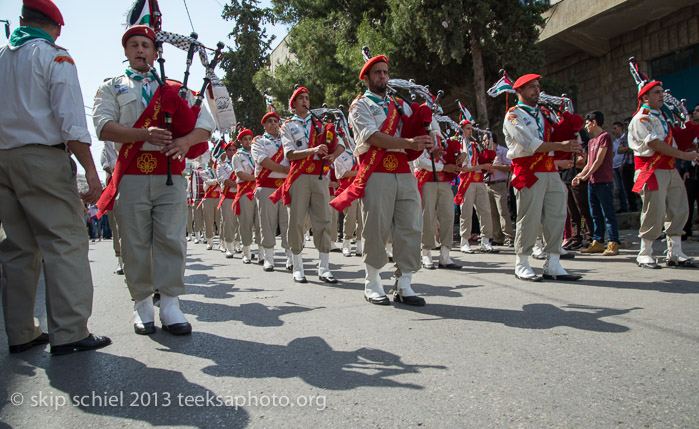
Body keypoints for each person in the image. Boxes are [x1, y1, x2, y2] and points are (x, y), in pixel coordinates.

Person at [0, 0, 111, 355]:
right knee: (64, 241)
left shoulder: (1, 57)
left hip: (3, 159)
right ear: (57, 28)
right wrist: (91, 171)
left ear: (21, 20)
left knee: (17, 248)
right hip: (42, 157)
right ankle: (69, 330)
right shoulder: (54, 57)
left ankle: (21, 332)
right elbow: (71, 121)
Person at [93, 24, 215, 335]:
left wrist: (186, 143)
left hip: (170, 172)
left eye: (145, 45)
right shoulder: (111, 87)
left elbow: (205, 126)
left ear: (156, 52)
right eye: (133, 45)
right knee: (135, 241)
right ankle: (142, 304)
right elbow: (104, 127)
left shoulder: (176, 89)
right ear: (125, 52)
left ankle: (171, 304)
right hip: (132, 172)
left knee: (171, 239)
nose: (140, 50)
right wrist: (142, 134)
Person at [332, 55, 433, 305]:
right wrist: (407, 142)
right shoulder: (360, 105)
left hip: (403, 168)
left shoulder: (399, 103)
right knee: (376, 227)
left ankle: (404, 283)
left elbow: (416, 126)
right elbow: (372, 137)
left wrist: (428, 140)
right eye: (377, 73)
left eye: (386, 73)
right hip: (376, 169)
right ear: (366, 78)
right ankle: (373, 282)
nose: (383, 77)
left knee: (411, 225)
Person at [502, 73, 582, 281]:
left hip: (549, 170)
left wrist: (570, 138)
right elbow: (530, 144)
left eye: (537, 86)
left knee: (557, 215)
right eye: (531, 87)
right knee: (529, 218)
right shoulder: (514, 115)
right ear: (519, 91)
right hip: (529, 170)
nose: (537, 90)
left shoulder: (545, 113)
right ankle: (522, 263)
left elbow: (556, 135)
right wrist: (561, 146)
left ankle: (553, 263)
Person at [271, 86, 344, 283]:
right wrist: (313, 150)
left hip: (320, 176)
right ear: (293, 104)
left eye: (307, 98)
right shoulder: (287, 126)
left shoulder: (321, 124)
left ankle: (324, 267)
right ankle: (297, 265)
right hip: (299, 177)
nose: (305, 101)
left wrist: (332, 155)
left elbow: (342, 144)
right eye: (300, 98)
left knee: (324, 220)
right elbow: (289, 154)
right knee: (296, 221)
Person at [627, 82, 699, 268]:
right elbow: (656, 145)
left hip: (668, 168)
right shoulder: (641, 119)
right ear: (645, 97)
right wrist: (685, 155)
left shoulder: (660, 118)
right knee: (654, 211)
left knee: (679, 208)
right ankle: (645, 252)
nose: (661, 96)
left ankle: (675, 251)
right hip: (651, 170)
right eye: (657, 93)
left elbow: (671, 142)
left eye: (661, 92)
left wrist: (691, 147)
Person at [414, 116, 462, 269]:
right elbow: (419, 161)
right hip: (427, 180)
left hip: (444, 182)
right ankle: (426, 253)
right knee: (427, 217)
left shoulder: (443, 138)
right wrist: (443, 168)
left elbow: (450, 156)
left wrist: (461, 157)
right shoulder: (419, 136)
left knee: (448, 216)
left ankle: (445, 254)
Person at [574, 111, 620, 256]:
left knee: (608, 213)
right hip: (592, 183)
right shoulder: (591, 141)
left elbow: (598, 161)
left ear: (594, 123)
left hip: (604, 182)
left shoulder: (604, 137)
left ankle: (613, 242)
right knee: (595, 214)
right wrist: (580, 175)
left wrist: (586, 175)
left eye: (587, 124)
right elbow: (588, 163)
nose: (586, 127)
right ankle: (598, 241)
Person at [252, 111, 292, 271]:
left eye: (276, 121)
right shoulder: (259, 141)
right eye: (270, 122)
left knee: (287, 222)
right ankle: (269, 257)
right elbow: (263, 161)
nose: (274, 124)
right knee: (267, 223)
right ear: (264, 125)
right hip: (266, 186)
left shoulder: (287, 140)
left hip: (285, 186)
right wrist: (284, 168)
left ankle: (290, 255)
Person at [455, 120, 497, 254]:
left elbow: (481, 160)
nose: (470, 131)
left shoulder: (474, 145)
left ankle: (485, 240)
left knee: (485, 211)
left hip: (479, 181)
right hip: (467, 181)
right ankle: (464, 241)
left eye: (471, 128)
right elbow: (465, 168)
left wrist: (487, 164)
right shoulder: (460, 145)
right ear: (461, 130)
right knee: (466, 212)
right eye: (467, 128)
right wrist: (483, 167)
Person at [232, 129, 260, 264]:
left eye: (250, 138)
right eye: (245, 139)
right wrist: (258, 177)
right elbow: (241, 175)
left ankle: (262, 253)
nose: (248, 142)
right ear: (241, 142)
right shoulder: (237, 156)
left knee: (261, 222)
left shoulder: (258, 152)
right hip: (245, 191)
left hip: (258, 190)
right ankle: (246, 252)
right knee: (245, 223)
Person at [485, 133, 515, 247]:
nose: (484, 143)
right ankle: (497, 237)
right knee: (492, 213)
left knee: (503, 211)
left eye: (486, 140)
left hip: (499, 184)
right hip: (487, 184)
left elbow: (510, 167)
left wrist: (494, 166)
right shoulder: (484, 152)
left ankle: (509, 237)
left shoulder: (502, 151)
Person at [101, 140, 124, 273]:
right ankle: (120, 259)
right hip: (116, 181)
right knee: (117, 223)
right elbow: (107, 165)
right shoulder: (109, 138)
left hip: (138, 177)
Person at [216, 140, 240, 258]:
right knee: (228, 222)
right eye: (229, 150)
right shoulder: (221, 165)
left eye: (234, 150)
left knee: (241, 222)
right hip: (228, 196)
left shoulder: (241, 162)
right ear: (225, 152)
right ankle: (229, 246)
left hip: (241, 195)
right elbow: (225, 180)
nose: (231, 152)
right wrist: (242, 184)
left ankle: (238, 244)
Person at [611, 122, 629, 213]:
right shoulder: (615, 142)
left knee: (624, 186)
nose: (613, 130)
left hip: (622, 165)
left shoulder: (625, 138)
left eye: (615, 128)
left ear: (621, 128)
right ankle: (622, 206)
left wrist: (622, 164)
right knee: (619, 188)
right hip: (614, 166)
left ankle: (627, 206)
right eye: (612, 129)